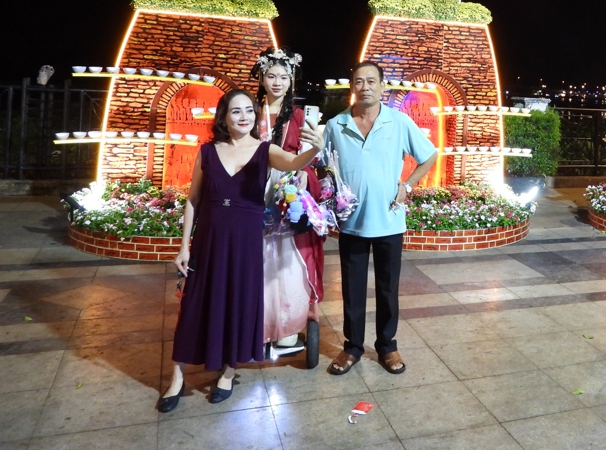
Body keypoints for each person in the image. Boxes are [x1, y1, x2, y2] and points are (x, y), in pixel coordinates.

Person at [158, 89, 323, 412]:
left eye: (249, 110)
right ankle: (176, 377)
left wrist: (313, 149)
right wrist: (183, 246)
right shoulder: (207, 152)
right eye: (236, 111)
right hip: (210, 237)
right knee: (194, 304)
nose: (244, 116)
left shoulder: (265, 150)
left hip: (247, 240)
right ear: (223, 117)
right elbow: (193, 200)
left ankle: (229, 370)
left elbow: (293, 162)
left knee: (238, 303)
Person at [323, 60, 437, 376]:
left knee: (388, 289)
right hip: (352, 223)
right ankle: (353, 348)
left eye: (372, 81)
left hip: (389, 220)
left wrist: (408, 185)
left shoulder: (398, 123)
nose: (365, 87)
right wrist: (330, 192)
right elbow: (322, 165)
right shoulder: (336, 125)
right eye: (359, 81)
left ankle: (387, 346)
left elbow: (429, 156)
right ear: (352, 87)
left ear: (382, 86)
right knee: (352, 290)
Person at [252, 48, 325, 353]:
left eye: (284, 76)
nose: (277, 82)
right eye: (271, 76)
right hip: (252, 188)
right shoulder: (249, 111)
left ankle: (288, 322)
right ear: (261, 77)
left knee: (286, 257)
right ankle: (256, 321)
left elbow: (310, 156)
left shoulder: (299, 115)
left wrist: (306, 172)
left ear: (291, 80)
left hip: (286, 188)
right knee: (257, 257)